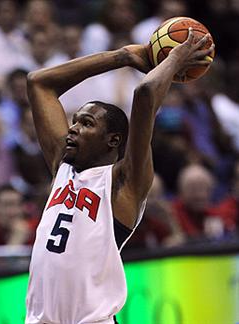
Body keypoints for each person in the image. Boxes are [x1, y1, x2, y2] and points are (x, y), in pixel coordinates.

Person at [25, 29, 213, 323]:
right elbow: (39, 82)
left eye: (86, 124)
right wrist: (120, 56)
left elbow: (145, 93)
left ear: (112, 140)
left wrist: (174, 57)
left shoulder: (123, 182)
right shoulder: (62, 166)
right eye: (74, 121)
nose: (72, 128)